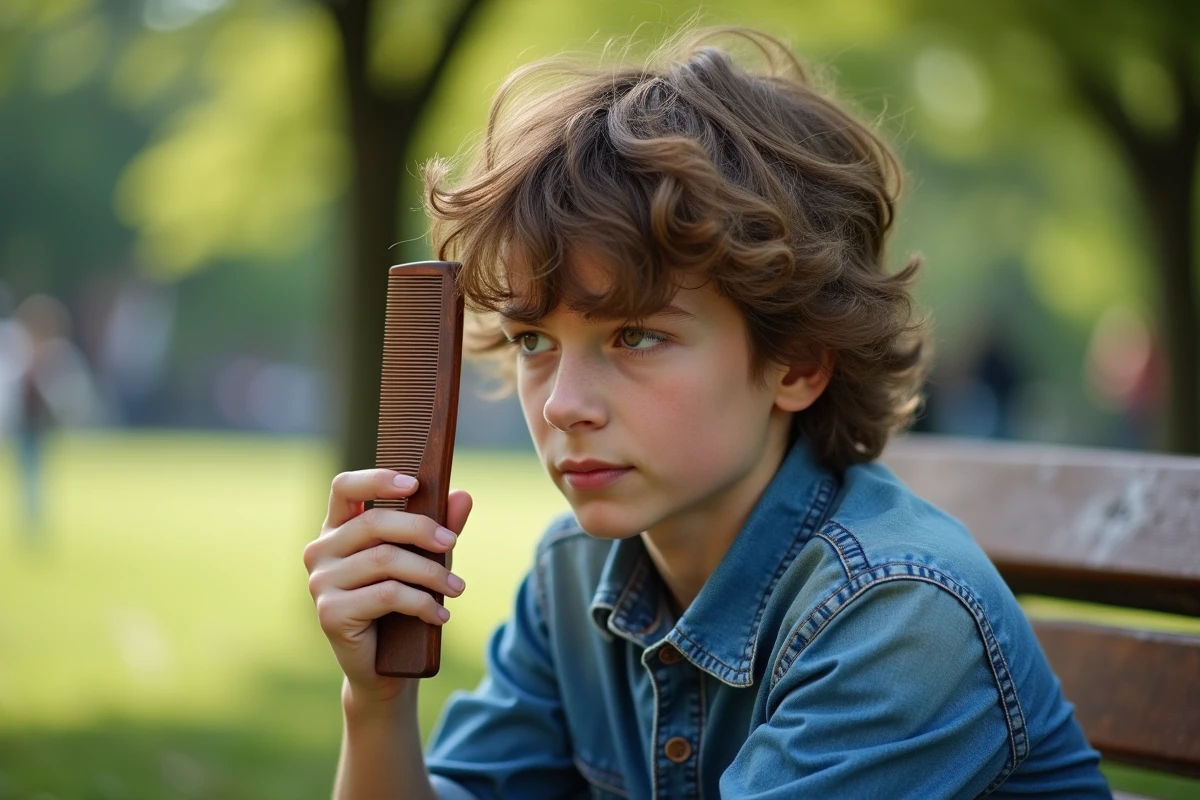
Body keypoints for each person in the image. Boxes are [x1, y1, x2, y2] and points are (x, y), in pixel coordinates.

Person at [303, 26, 1111, 799]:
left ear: (797, 362)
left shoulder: (899, 617)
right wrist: (375, 704)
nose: (564, 405)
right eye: (532, 341)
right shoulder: (574, 575)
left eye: (636, 335)